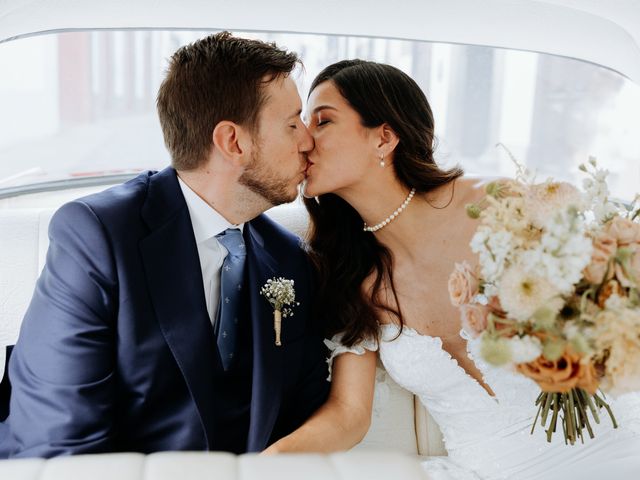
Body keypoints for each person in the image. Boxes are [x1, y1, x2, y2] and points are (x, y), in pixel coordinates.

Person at [263, 59, 640, 480]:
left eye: (323, 121)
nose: (304, 141)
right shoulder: (345, 272)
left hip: (617, 449)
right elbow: (350, 414)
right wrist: (266, 464)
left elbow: (607, 309)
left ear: (384, 138)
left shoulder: (501, 206)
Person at [0, 32, 329, 458]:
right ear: (233, 142)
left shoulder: (288, 258)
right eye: (292, 123)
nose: (308, 140)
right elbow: (59, 441)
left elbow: (298, 416)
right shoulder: (98, 237)